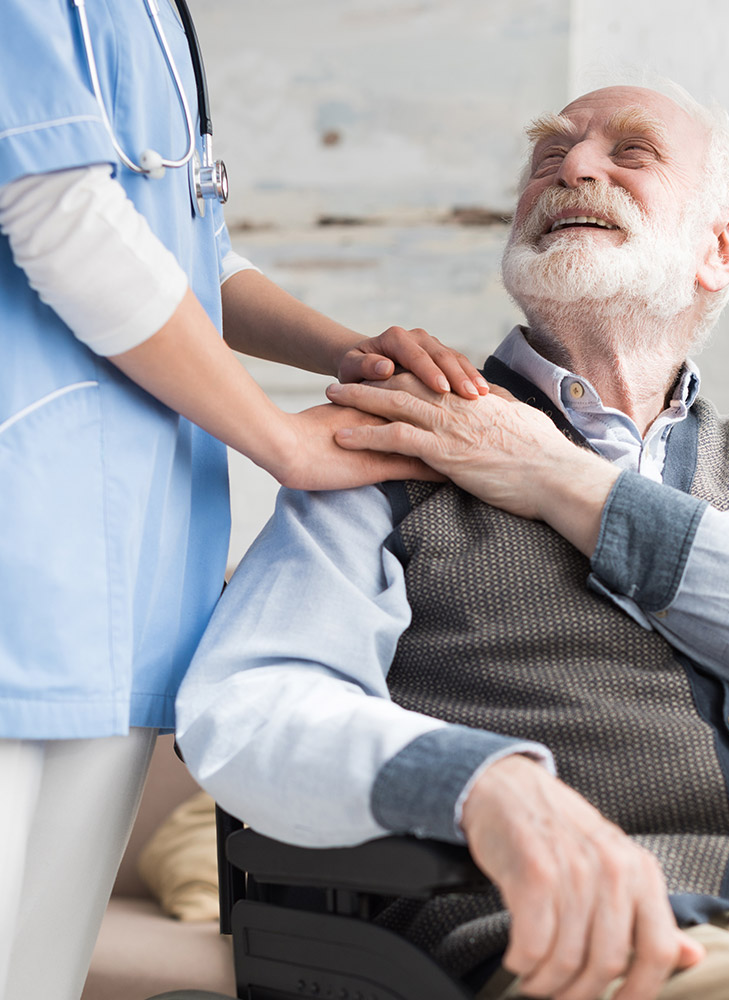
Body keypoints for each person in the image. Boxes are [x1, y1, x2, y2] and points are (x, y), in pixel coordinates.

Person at [177, 80, 729, 1000]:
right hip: (609, 938)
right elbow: (247, 706)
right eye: (549, 153)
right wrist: (481, 785)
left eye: (630, 152)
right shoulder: (395, 434)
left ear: (721, 248)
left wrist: (565, 482)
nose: (574, 166)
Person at [0, 4, 488, 999]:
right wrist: (283, 440)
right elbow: (59, 212)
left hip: (127, 585)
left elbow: (188, 255)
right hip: (29, 545)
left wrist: (347, 351)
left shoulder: (156, 23)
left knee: (38, 976)